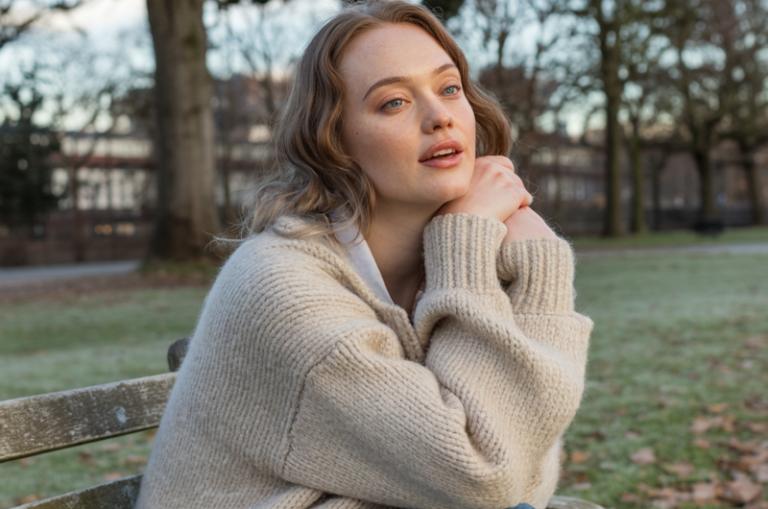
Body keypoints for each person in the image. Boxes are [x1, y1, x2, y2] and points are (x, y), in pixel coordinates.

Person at [135, 2, 592, 508]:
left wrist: (530, 255)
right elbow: (487, 477)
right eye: (394, 102)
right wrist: (492, 250)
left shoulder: (451, 262)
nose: (440, 117)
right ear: (333, 140)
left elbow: (521, 466)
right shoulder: (279, 285)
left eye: (449, 88)